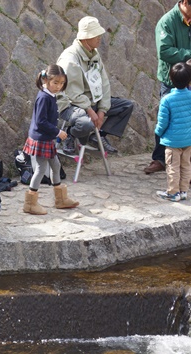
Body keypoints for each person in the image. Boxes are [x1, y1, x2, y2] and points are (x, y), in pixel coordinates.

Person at [56, 16, 133, 155]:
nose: (99, 38)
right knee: (86, 123)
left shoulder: (94, 54)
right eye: (95, 35)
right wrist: (91, 111)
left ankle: (99, 135)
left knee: (126, 106)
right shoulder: (70, 59)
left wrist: (102, 110)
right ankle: (70, 134)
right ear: (85, 38)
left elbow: (104, 83)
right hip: (71, 104)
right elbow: (71, 93)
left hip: (92, 100)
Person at [23, 65, 79, 215]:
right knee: (41, 169)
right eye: (55, 83)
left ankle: (61, 199)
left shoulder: (50, 95)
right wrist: (58, 132)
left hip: (46, 139)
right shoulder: (43, 97)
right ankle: (30, 203)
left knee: (55, 166)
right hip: (41, 139)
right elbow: (41, 121)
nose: (58, 86)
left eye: (61, 83)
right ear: (46, 80)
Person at [145, 0, 191, 174]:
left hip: (190, 78)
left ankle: (186, 161)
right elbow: (164, 51)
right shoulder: (167, 21)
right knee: (166, 118)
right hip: (172, 79)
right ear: (185, 3)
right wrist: (188, 55)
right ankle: (159, 159)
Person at [154, 62, 191, 202]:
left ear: (171, 80)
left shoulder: (167, 99)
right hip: (188, 139)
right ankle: (183, 191)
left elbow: (162, 122)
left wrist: (158, 132)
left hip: (173, 141)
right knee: (186, 165)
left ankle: (173, 192)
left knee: (173, 166)